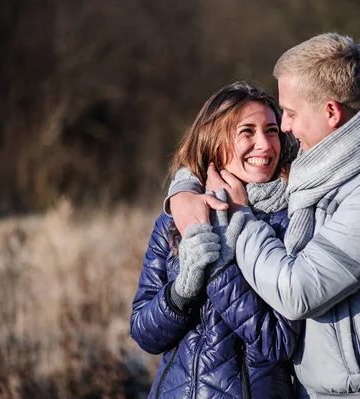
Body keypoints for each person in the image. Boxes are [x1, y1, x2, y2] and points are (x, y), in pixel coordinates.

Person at [167, 33, 360, 397]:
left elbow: (297, 291)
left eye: (291, 114)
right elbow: (222, 147)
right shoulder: (336, 153)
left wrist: (241, 219)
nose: (285, 127)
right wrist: (185, 188)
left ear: (331, 111)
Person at [130, 81, 302, 399]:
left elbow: (278, 341)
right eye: (247, 132)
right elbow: (144, 334)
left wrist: (221, 263)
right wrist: (184, 289)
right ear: (214, 141)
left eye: (272, 130)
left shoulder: (293, 219)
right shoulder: (176, 219)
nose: (264, 144)